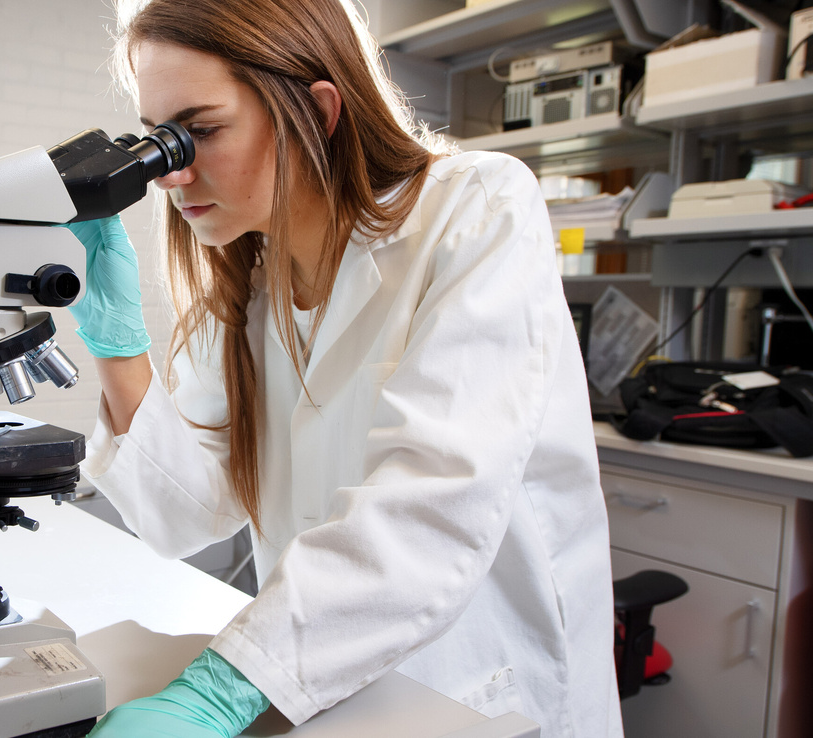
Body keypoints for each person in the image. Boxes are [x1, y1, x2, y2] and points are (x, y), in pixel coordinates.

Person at [65, 1, 621, 736]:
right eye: (159, 141)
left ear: (317, 109)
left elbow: (427, 511)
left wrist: (216, 692)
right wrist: (117, 347)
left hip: (477, 687)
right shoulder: (249, 284)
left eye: (199, 132)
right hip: (321, 686)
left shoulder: (476, 208)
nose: (171, 174)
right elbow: (186, 513)